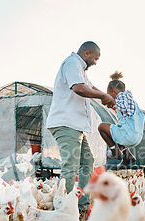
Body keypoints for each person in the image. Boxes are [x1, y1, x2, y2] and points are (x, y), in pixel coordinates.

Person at [46, 41, 115, 211]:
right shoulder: (72, 63)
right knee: (71, 165)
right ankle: (65, 208)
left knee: (87, 161)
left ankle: (82, 205)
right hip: (66, 123)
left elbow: (89, 86)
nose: (95, 62)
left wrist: (106, 96)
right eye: (95, 58)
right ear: (87, 53)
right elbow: (79, 88)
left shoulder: (79, 69)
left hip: (75, 126)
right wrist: (103, 96)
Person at [98, 71, 145, 166]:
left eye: (109, 95)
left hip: (128, 135)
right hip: (136, 136)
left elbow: (122, 106)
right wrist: (114, 107)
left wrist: (113, 102)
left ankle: (115, 152)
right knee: (116, 130)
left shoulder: (121, 96)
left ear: (113, 92)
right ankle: (128, 157)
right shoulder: (131, 100)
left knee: (102, 127)